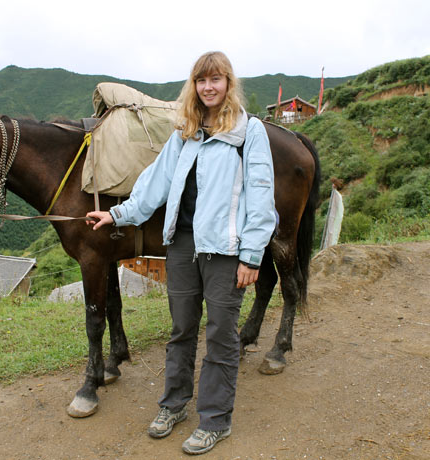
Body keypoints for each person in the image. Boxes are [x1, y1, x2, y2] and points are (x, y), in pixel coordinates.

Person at [86, 51, 275, 455]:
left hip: (226, 249)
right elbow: (154, 184)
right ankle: (173, 405)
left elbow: (261, 198)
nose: (209, 87)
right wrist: (117, 214)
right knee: (181, 330)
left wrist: (252, 256)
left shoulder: (249, 131)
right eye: (201, 80)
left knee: (221, 335)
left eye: (216, 80)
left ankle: (215, 420)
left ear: (228, 83)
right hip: (183, 245)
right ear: (194, 85)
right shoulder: (185, 131)